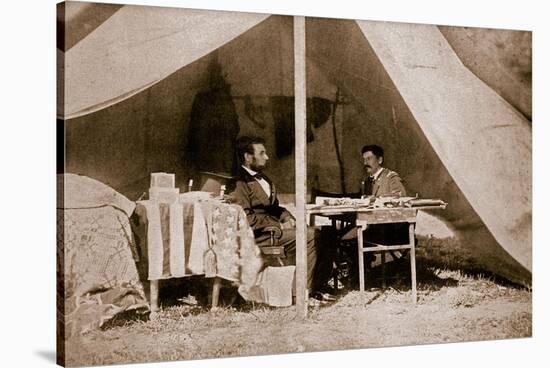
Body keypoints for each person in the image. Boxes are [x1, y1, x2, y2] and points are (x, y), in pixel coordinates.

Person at [230, 136, 335, 300]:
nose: (267, 157)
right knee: (310, 236)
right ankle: (299, 294)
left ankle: (317, 286)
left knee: (328, 234)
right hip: (259, 236)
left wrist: (286, 216)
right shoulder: (239, 183)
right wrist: (277, 226)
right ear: (247, 157)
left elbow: (274, 207)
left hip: (272, 232)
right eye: (262, 153)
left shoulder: (264, 179)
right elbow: (246, 218)